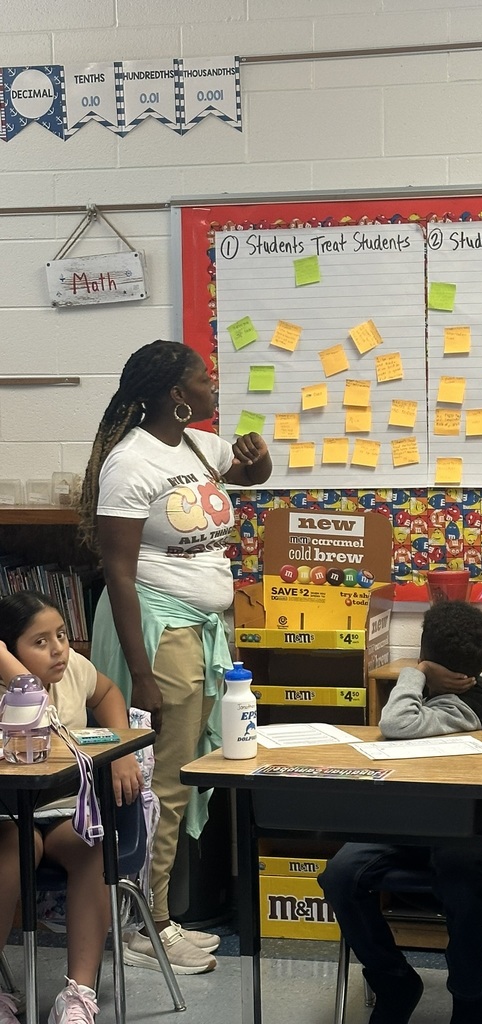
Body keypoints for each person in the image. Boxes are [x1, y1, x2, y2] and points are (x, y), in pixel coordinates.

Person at [78, 339, 272, 975]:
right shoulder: (130, 464)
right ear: (176, 395)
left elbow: (243, 478)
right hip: (160, 633)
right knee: (162, 780)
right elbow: (120, 571)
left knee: (183, 773)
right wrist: (140, 676)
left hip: (203, 626)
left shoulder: (194, 447)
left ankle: (159, 913)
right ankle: (145, 927)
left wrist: (258, 462)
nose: (215, 389)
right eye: (204, 380)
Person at [319, 600, 482, 1024]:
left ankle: (469, 999)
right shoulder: (456, 688)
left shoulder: (467, 707)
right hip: (410, 822)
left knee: (460, 883)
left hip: (467, 831)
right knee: (340, 874)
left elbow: (399, 724)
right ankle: (393, 980)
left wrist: (416, 671)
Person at [0, 591, 144, 1024]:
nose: (59, 648)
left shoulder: (73, 670)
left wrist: (121, 748)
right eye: (40, 642)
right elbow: (31, 705)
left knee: (90, 844)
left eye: (61, 635)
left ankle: (78, 993)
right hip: (5, 817)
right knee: (11, 852)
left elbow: (109, 691)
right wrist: (11, 671)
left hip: (64, 809)